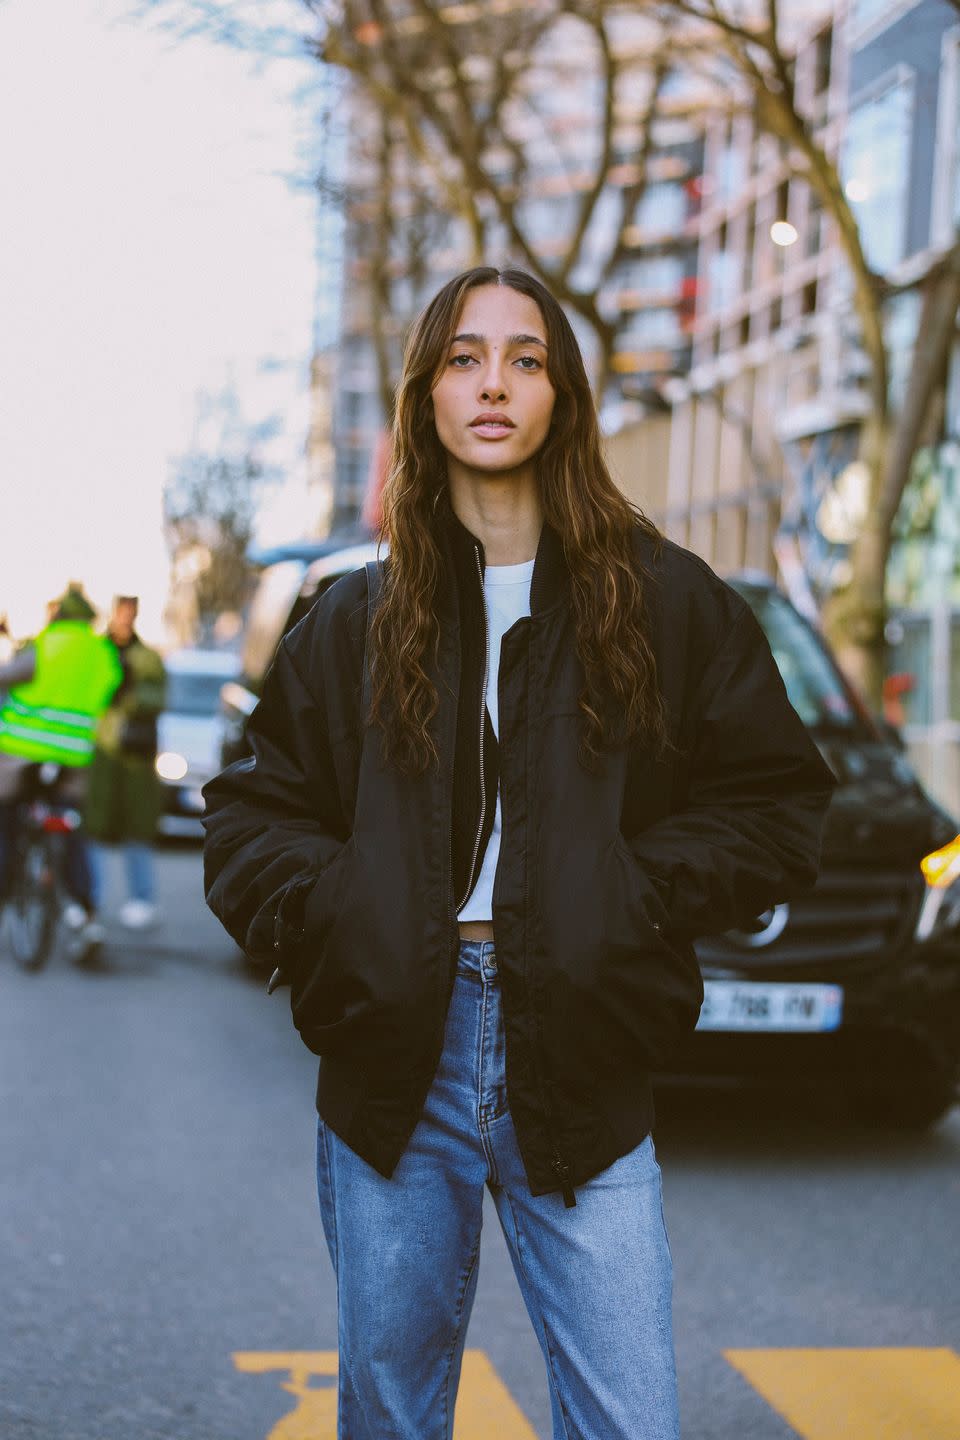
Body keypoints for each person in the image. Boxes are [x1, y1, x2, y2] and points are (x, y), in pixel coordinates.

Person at [202, 267, 837, 1440]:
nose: (494, 381)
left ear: (564, 395)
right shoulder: (354, 617)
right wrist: (345, 915)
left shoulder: (659, 601)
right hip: (399, 1060)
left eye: (526, 358)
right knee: (392, 1416)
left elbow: (777, 799)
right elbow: (250, 816)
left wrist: (633, 899)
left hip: (582, 1049)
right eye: (464, 357)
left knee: (630, 1418)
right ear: (426, 396)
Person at [0, 586, 123, 955]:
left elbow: (8, 677)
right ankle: (86, 912)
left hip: (22, 754)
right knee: (70, 828)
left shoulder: (46, 644)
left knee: (5, 822)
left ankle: (5, 887)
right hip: (73, 758)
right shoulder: (103, 653)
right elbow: (113, 691)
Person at [84, 595, 166, 929]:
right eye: (121, 612)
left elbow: (158, 696)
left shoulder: (147, 657)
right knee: (95, 827)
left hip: (135, 756)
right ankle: (91, 897)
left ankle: (142, 899)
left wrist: (130, 693)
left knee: (138, 828)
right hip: (100, 752)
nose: (125, 619)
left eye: (131, 613)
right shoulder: (96, 651)